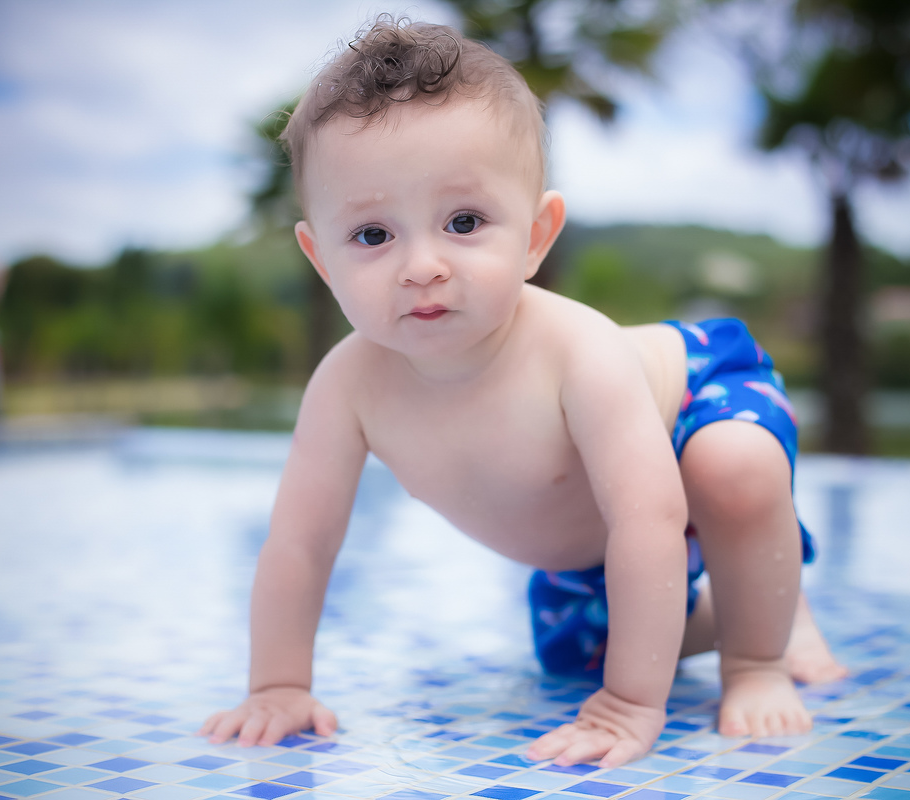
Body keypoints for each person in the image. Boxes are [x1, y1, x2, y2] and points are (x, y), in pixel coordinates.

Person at [200, 16, 846, 768]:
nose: (422, 266)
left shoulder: (578, 351)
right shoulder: (347, 387)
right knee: (579, 655)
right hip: (593, 548)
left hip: (695, 402)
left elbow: (650, 519)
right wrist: (278, 684)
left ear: (537, 236)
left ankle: (760, 658)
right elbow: (300, 543)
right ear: (320, 258)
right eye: (373, 236)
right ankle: (759, 602)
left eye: (464, 221)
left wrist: (631, 704)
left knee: (731, 473)